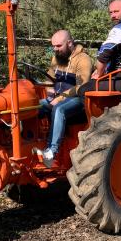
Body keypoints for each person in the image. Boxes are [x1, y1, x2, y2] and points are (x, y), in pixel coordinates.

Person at [39, 30, 93, 168]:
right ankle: (31, 142)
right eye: (53, 46)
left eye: (58, 46)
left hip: (79, 100)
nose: (55, 49)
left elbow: (82, 86)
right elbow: (49, 79)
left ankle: (52, 151)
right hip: (58, 98)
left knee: (59, 109)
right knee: (36, 106)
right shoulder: (57, 58)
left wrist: (60, 98)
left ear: (69, 43)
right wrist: (49, 91)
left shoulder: (83, 59)